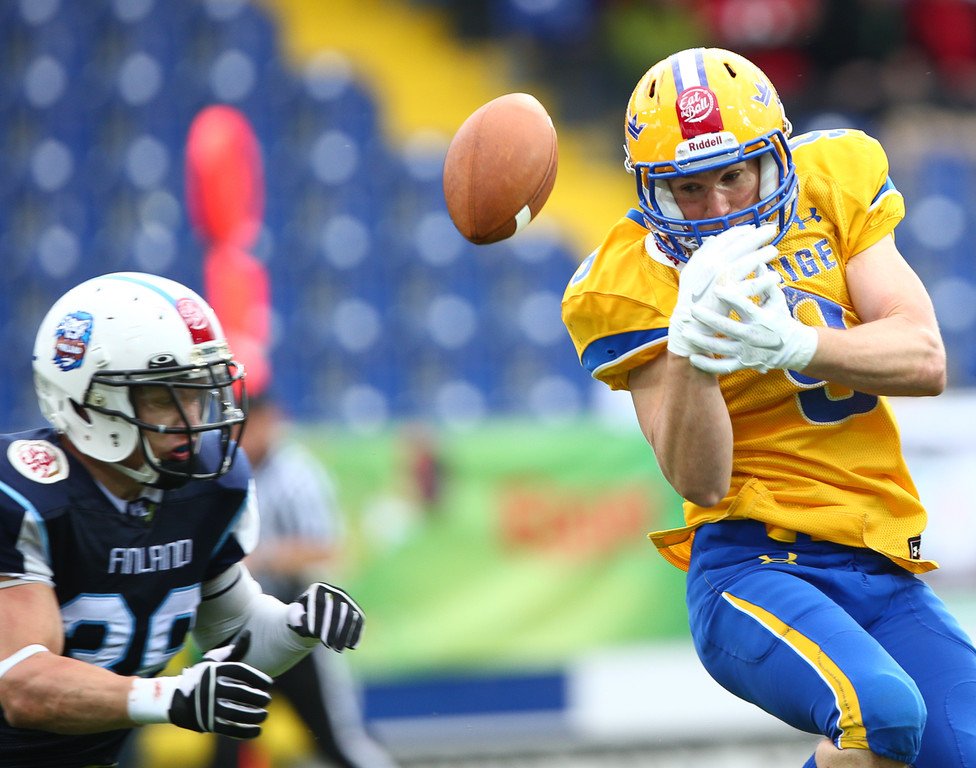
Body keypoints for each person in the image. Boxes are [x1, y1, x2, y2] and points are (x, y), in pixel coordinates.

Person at [561, 47, 976, 767]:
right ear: (652, 192)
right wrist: (690, 347)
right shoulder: (629, 280)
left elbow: (923, 356)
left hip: (879, 561)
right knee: (880, 713)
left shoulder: (831, 182)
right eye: (690, 188)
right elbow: (701, 482)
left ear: (775, 157)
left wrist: (796, 344)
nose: (720, 207)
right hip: (753, 566)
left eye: (734, 175)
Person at [0, 272, 365, 768]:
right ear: (87, 402)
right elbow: (23, 686)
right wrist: (172, 695)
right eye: (162, 396)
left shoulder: (206, 486)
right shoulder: (26, 494)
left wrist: (294, 627)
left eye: (196, 392)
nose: (192, 420)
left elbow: (233, 636)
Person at [207, 395, 398, 768]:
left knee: (337, 743)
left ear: (270, 420)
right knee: (225, 749)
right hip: (241, 628)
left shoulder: (297, 473)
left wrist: (262, 558)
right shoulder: (226, 470)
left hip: (298, 626)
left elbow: (327, 550)